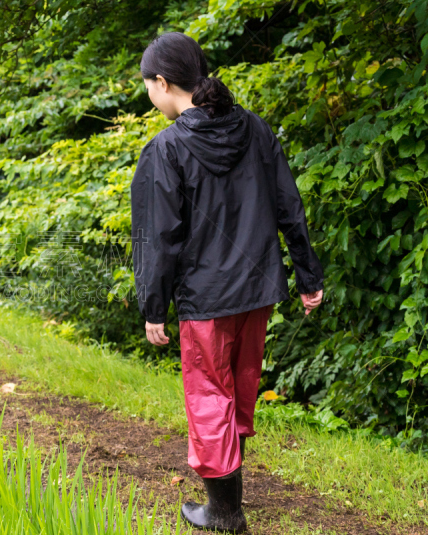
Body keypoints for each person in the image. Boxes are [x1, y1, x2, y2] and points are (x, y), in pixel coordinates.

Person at [130, 32, 324, 533]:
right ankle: (227, 501)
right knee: (236, 391)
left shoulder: (166, 149)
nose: (148, 96)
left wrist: (153, 306)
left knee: (209, 397)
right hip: (258, 293)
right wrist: (308, 275)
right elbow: (289, 206)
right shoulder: (255, 129)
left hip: (208, 300)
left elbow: (159, 239)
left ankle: (224, 513)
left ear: (163, 82)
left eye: (147, 87)